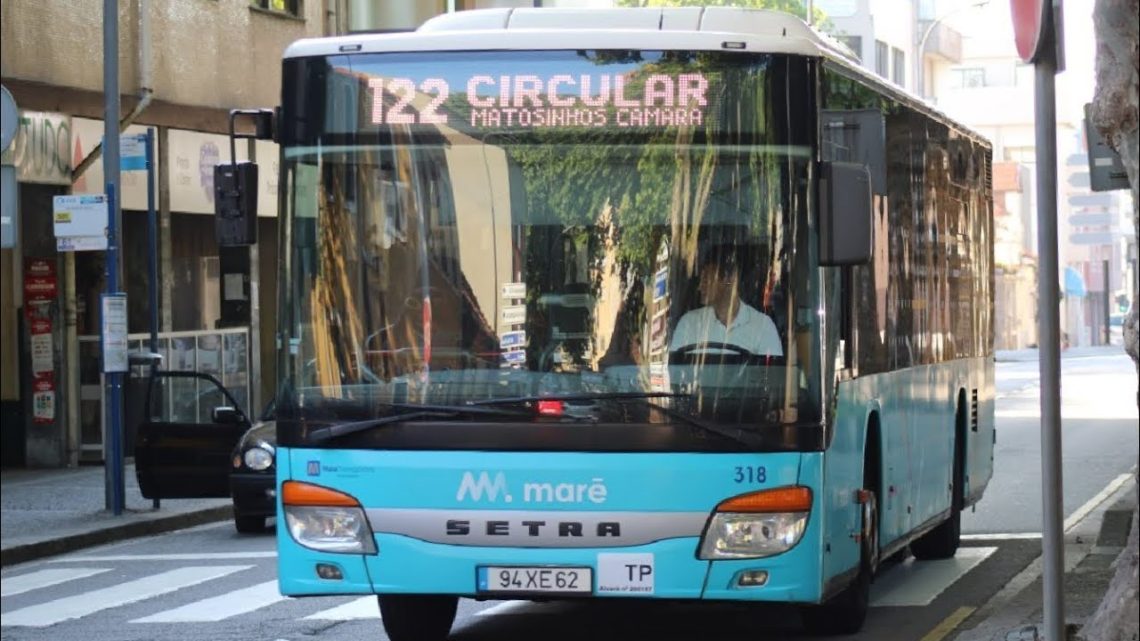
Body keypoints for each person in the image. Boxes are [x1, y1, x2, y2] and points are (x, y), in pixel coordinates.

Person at [669, 246, 783, 358]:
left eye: (706, 279)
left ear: (729, 280)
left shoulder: (763, 327)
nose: (699, 287)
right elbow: (676, 373)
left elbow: (770, 375)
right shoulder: (689, 324)